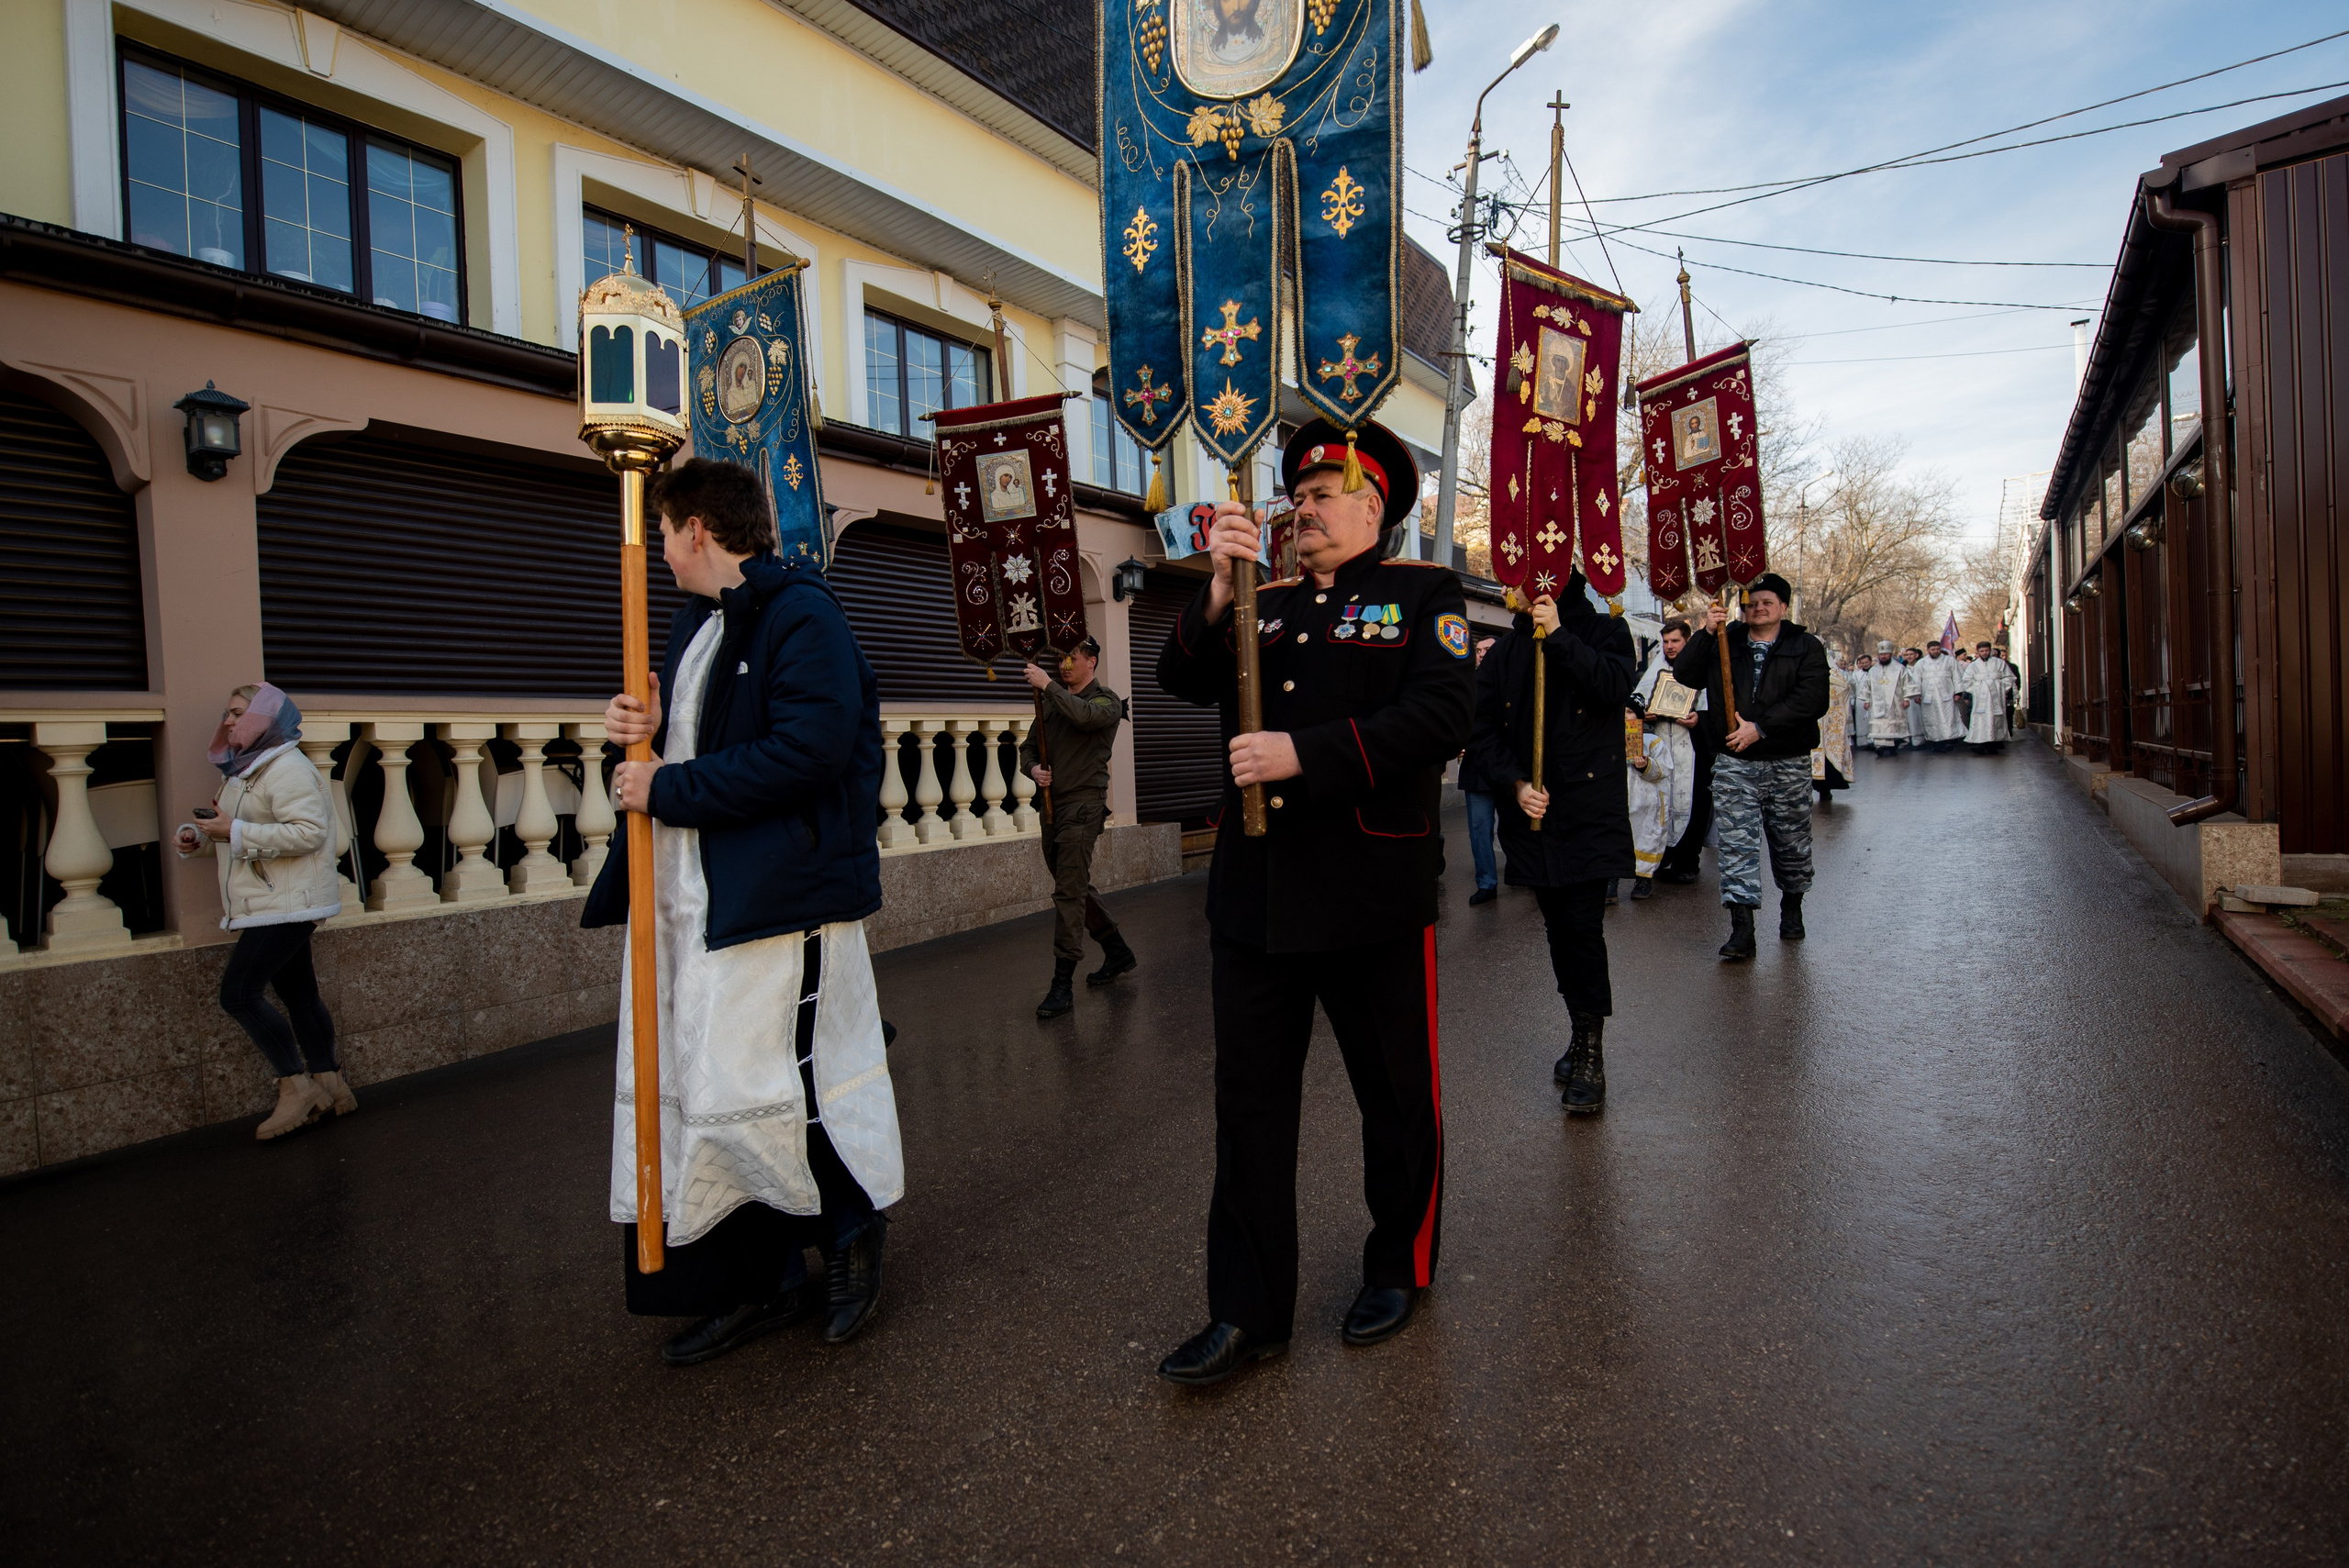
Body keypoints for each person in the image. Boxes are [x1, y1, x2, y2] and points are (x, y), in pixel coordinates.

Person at [1152, 417, 1475, 1385]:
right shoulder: (1265, 597)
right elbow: (1178, 677)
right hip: (1255, 900)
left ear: (1374, 506)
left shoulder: (1424, 595)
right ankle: (1249, 1311)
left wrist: (1306, 752)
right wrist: (1216, 591)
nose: (1304, 507)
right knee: (1249, 1110)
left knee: (1394, 1099)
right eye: (1297, 493)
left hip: (1371, 891)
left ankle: (1397, 1266)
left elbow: (1442, 713)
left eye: (1324, 492)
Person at [586, 457, 900, 1368]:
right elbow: (691, 748)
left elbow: (807, 750)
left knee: (792, 1081)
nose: (661, 555)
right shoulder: (696, 624)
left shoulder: (802, 613)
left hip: (779, 898)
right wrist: (635, 729)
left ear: (696, 529)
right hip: (694, 904)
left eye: (665, 534)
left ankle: (849, 1235)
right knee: (717, 1090)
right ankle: (757, 1277)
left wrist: (668, 781)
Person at [1467, 573, 1637, 1112]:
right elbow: (1484, 730)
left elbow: (1612, 687)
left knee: (1582, 929)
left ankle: (1591, 1052)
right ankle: (1577, 1029)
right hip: (1532, 817)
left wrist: (1560, 635)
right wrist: (1515, 783)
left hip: (1588, 813)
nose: (1512, 591)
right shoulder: (1506, 650)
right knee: (1558, 930)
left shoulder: (1606, 630)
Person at [175, 683, 352, 1140]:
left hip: (287, 903)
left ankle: (298, 1089)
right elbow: (240, 834)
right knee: (299, 996)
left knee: (238, 995)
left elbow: (309, 833)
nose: (228, 721)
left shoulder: (286, 767)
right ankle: (332, 1086)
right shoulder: (245, 769)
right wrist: (201, 839)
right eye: (228, 712)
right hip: (275, 899)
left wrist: (233, 829)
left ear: (265, 718)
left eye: (238, 712)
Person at [1669, 574, 1831, 960]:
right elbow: (1684, 676)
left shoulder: (1804, 645)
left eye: (1767, 602)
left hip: (1786, 760)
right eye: (1751, 603)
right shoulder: (1727, 640)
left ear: (1783, 607)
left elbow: (1813, 699)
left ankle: (1792, 909)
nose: (1758, 608)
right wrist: (1707, 632)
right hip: (1735, 762)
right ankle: (1742, 929)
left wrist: (1760, 728)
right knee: (1737, 846)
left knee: (1791, 843)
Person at [1019, 637, 1138, 1018]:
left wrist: (1047, 686)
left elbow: (1084, 717)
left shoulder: (1107, 701)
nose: (1064, 664)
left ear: (1092, 661)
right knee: (1074, 885)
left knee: (1068, 893)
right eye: (1061, 659)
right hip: (1052, 807)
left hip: (1083, 807)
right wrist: (1033, 769)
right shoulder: (1051, 703)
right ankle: (1117, 952)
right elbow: (1028, 748)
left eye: (1072, 657)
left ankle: (1061, 986)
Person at [1646, 617, 1712, 885]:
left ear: (1687, 641)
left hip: (1693, 750)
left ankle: (1688, 861)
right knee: (1661, 803)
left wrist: (1699, 720)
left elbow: (1715, 709)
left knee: (1692, 802)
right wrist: (1644, 712)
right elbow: (1638, 702)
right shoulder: (1656, 671)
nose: (1669, 647)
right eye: (1666, 642)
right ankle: (1663, 857)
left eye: (1675, 641)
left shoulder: (1703, 669)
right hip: (1662, 750)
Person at [1459, 634, 1504, 906]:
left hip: (1509, 765)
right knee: (1479, 828)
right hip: (1477, 766)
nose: (1482, 654)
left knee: (1514, 826)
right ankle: (1486, 882)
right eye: (1478, 650)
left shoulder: (1513, 678)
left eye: (1488, 649)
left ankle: (1524, 871)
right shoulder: (1467, 683)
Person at [1813, 652, 1857, 805]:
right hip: (1807, 719)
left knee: (1826, 760)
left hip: (1827, 723)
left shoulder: (1833, 671)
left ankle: (1825, 790)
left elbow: (1843, 686)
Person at [1962, 639, 2017, 754]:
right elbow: (1967, 681)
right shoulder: (1973, 666)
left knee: (1995, 719)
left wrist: (1999, 686)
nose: (1985, 653)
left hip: (1995, 697)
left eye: (1987, 650)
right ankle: (1980, 743)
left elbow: (2009, 678)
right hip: (1980, 698)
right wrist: (1980, 687)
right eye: (1982, 651)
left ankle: (1994, 743)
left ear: (1990, 650)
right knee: (1980, 719)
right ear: (1978, 651)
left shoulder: (1999, 663)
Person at [1864, 640, 1912, 757]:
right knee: (1879, 724)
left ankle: (1893, 746)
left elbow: (1908, 684)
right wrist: (1866, 700)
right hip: (1877, 703)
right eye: (1881, 654)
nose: (1883, 656)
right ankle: (1879, 746)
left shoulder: (1900, 668)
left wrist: (1906, 699)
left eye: (1886, 654)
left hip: (1895, 702)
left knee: (1893, 726)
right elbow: (1867, 686)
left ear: (1890, 654)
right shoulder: (1873, 670)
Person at [1912, 641, 1963, 752]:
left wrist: (1958, 693)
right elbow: (1916, 680)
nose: (1936, 651)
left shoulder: (1950, 660)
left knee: (1948, 719)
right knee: (1931, 720)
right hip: (1929, 697)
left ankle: (1948, 742)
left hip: (1947, 696)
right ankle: (1935, 743)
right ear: (1928, 650)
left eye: (1937, 649)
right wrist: (1917, 694)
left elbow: (1957, 676)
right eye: (1933, 649)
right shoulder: (1921, 663)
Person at [1902, 649, 1930, 751]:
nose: (1909, 657)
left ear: (1917, 655)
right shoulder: (1903, 668)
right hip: (1909, 697)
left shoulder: (1923, 665)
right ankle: (1913, 739)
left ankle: (1927, 739)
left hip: (1924, 695)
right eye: (1906, 655)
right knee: (1911, 718)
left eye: (1911, 654)